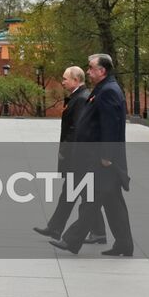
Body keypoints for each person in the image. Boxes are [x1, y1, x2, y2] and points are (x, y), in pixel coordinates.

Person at [52, 53, 133, 256]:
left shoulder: (109, 91)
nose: (88, 71)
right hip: (97, 156)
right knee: (113, 203)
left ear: (102, 70)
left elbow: (111, 125)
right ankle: (124, 244)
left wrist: (107, 155)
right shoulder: (104, 88)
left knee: (93, 200)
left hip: (102, 158)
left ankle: (72, 240)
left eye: (90, 68)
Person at [33, 65, 106, 244]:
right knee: (79, 194)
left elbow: (77, 129)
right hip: (78, 154)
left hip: (78, 154)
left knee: (76, 193)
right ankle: (95, 232)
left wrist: (67, 151)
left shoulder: (80, 99)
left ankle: (57, 228)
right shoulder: (78, 96)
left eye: (65, 78)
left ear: (75, 80)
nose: (63, 81)